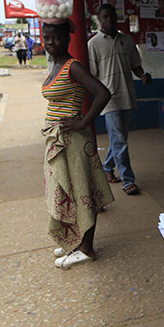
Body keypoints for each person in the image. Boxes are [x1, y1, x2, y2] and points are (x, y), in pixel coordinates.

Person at [40, 19, 114, 269]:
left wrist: (83, 123)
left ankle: (87, 248)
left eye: (56, 38)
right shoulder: (56, 65)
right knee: (67, 192)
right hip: (58, 140)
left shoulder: (73, 67)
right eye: (46, 38)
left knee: (83, 193)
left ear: (67, 39)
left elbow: (103, 93)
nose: (51, 42)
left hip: (73, 141)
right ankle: (76, 239)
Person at [88, 3, 151, 195]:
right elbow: (91, 76)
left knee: (120, 139)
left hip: (127, 95)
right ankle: (128, 181)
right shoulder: (93, 44)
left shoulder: (127, 41)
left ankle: (107, 168)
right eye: (104, 17)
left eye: (112, 16)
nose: (109, 20)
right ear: (99, 19)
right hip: (109, 100)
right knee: (120, 141)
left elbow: (135, 65)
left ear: (116, 17)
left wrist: (143, 76)